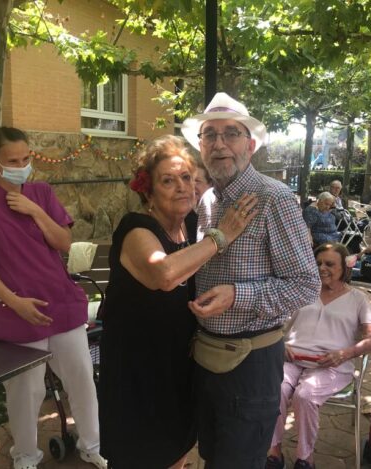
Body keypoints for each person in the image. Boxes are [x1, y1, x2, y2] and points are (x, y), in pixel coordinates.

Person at [98, 135, 257, 469]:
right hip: (138, 373)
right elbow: (165, 274)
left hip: (181, 367)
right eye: (168, 181)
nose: (182, 187)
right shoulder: (136, 229)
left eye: (187, 177)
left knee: (177, 449)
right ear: (148, 191)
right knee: (141, 456)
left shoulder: (192, 226)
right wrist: (222, 235)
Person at [181, 92, 320, 469]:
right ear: (200, 146)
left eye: (231, 133)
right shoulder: (207, 200)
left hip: (250, 364)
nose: (219, 144)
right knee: (213, 457)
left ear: (250, 145)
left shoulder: (274, 198)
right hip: (206, 357)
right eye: (209, 135)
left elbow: (306, 284)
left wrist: (236, 295)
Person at [0, 127, 107, 469]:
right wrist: (14, 301)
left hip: (61, 303)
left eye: (26, 158)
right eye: (12, 161)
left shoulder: (41, 192)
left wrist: (35, 211)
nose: (21, 166)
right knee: (26, 391)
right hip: (16, 312)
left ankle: (92, 445)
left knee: (82, 380)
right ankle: (25, 455)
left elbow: (64, 243)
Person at [266, 243, 371, 469]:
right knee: (275, 390)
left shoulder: (357, 299)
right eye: (318, 263)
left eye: (329, 264)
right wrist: (280, 343)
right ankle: (274, 451)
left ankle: (305, 457)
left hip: (332, 365)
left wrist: (346, 353)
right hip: (292, 358)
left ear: (344, 268)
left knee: (305, 395)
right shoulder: (303, 292)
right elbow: (276, 323)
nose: (322, 268)